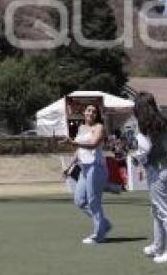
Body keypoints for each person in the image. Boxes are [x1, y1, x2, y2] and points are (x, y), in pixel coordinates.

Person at [133, 92, 167, 263]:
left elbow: (144, 148)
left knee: (164, 210)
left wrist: (136, 157)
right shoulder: (164, 120)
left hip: (157, 169)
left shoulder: (143, 125)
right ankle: (159, 245)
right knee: (157, 209)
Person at [70, 104, 112, 244]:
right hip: (84, 168)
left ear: (97, 115)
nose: (91, 113)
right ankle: (104, 224)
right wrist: (69, 166)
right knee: (80, 201)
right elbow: (78, 151)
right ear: (84, 112)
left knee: (94, 201)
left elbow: (93, 144)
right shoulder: (81, 128)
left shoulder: (99, 127)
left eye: (94, 111)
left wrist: (74, 143)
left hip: (96, 167)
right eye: (88, 110)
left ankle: (99, 235)